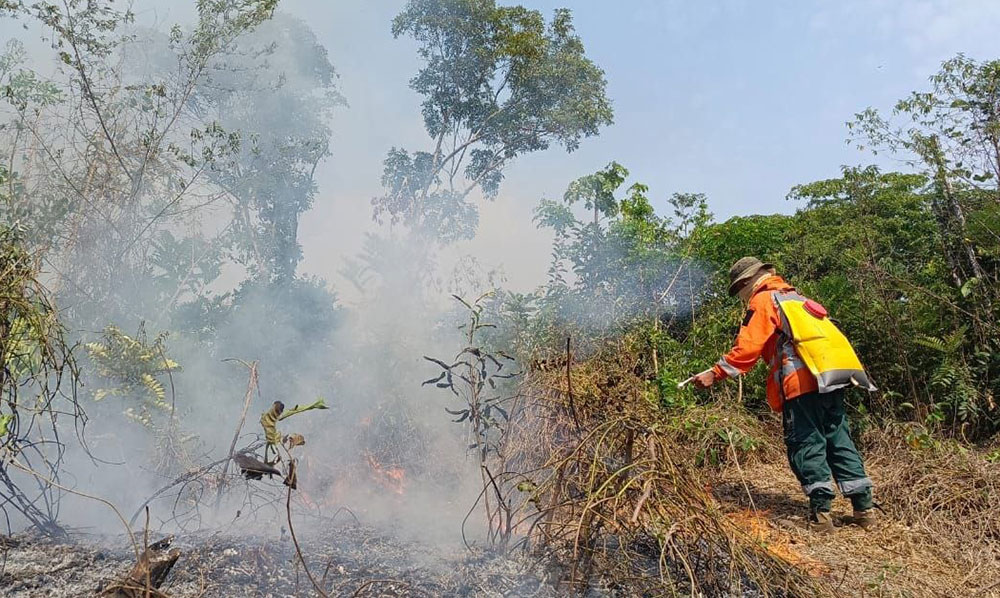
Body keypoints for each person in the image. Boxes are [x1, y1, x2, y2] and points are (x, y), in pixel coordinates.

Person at [693, 257, 877, 533]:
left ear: (748, 282)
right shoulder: (797, 298)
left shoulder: (763, 299)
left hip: (801, 383)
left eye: (739, 289)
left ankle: (821, 517)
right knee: (839, 440)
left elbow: (747, 348)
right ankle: (864, 510)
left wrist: (714, 373)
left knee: (806, 443)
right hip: (833, 377)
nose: (741, 296)